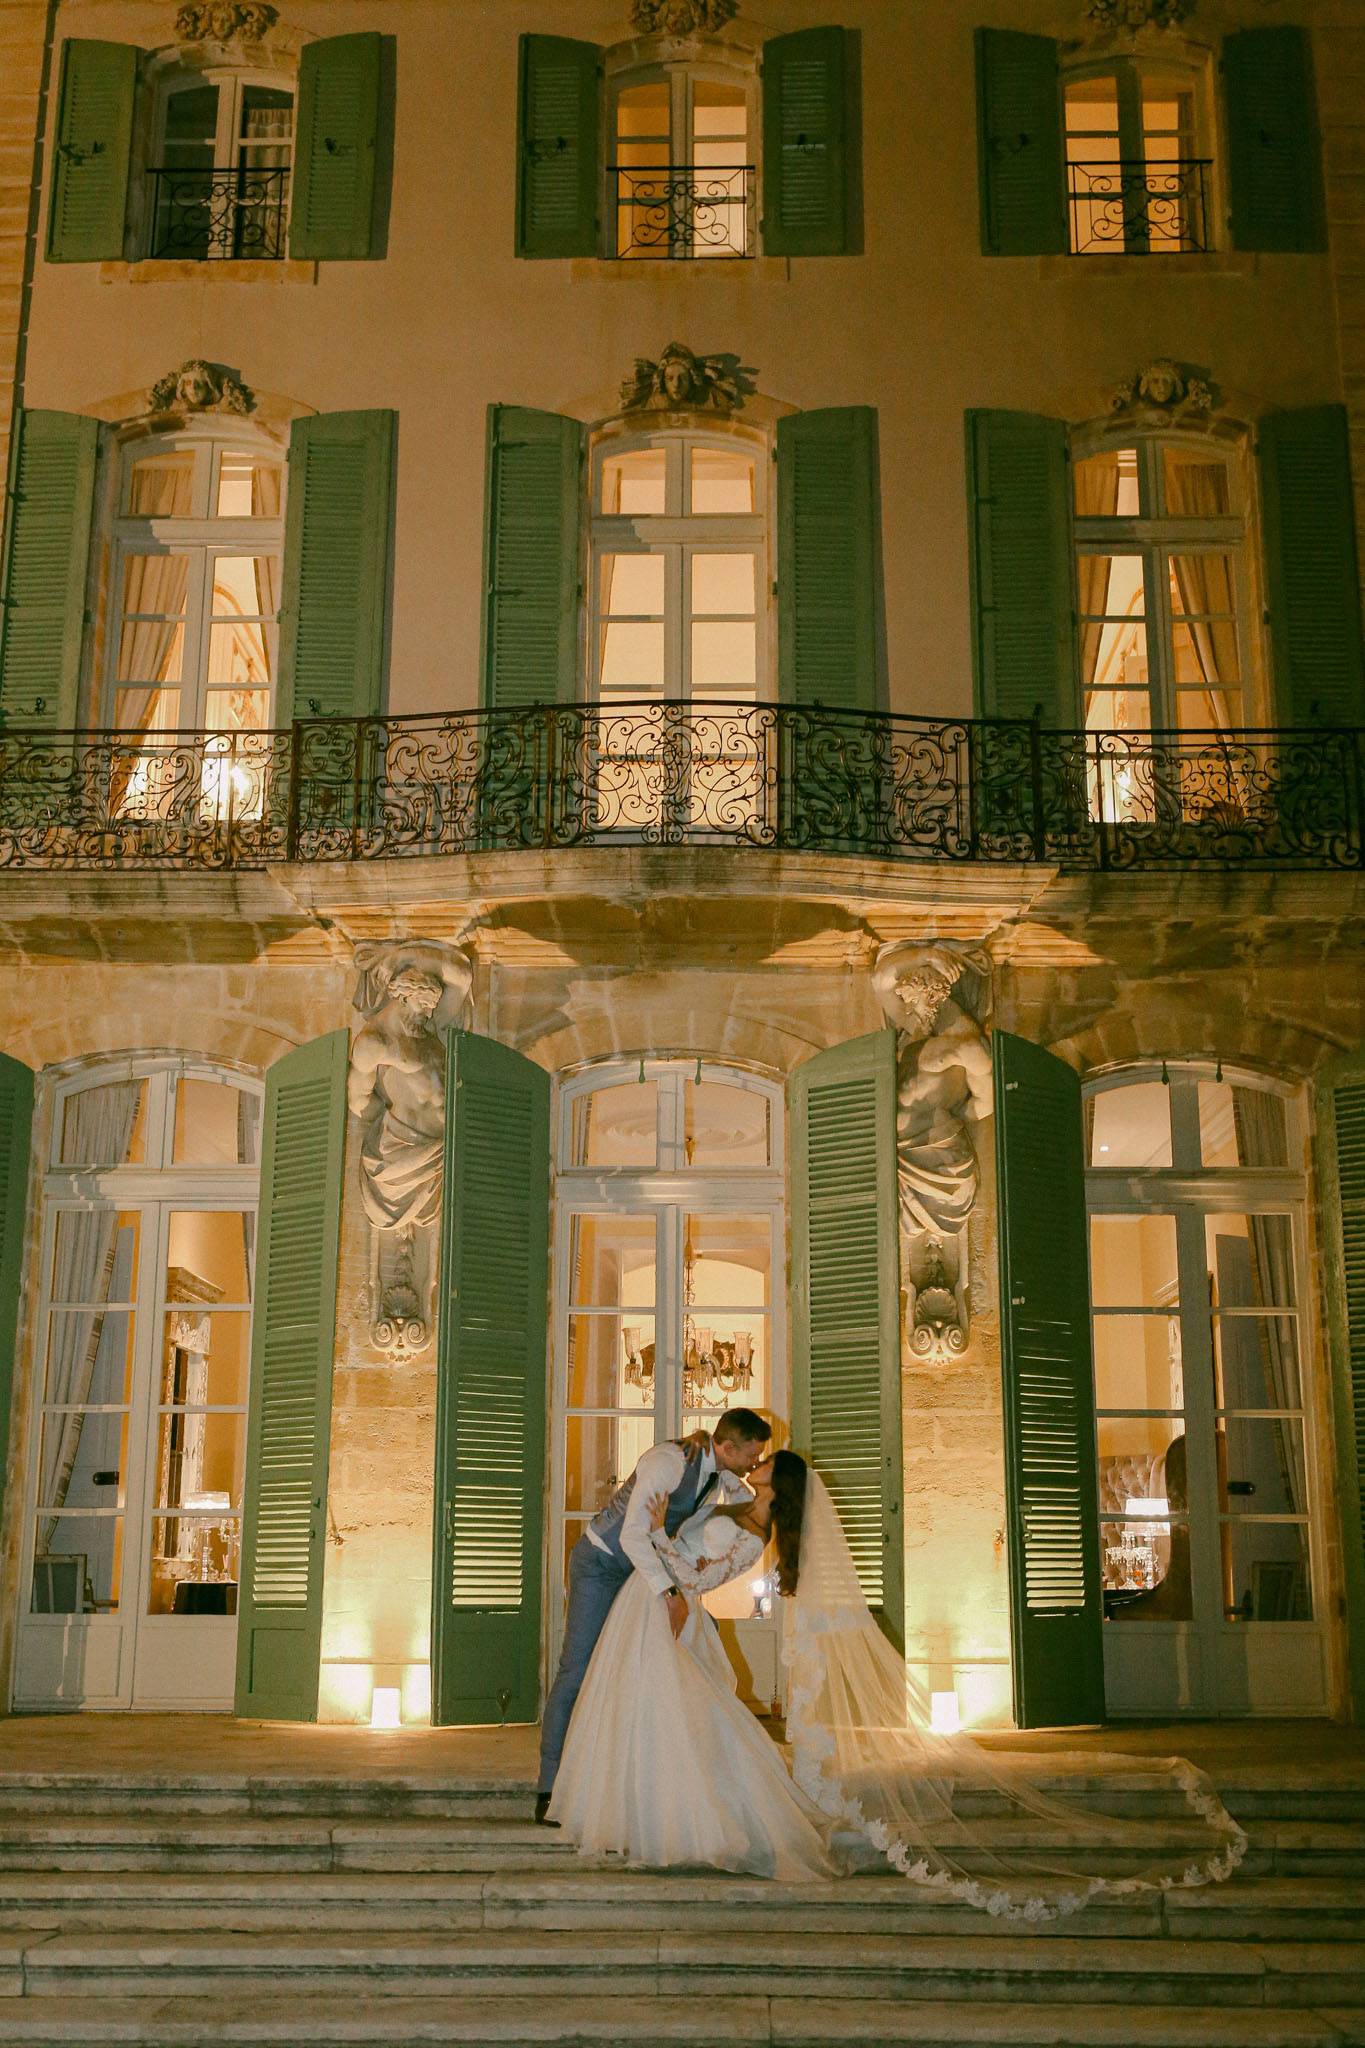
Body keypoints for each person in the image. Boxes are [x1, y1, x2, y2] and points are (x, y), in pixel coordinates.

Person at [548, 1449, 1249, 1919]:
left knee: (694, 1725)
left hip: (670, 1613)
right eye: (753, 1459)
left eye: (763, 1466)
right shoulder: (728, 1502)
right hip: (657, 1610)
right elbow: (686, 1502)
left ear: (776, 1489)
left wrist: (669, 1584)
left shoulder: (747, 1539)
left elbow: (704, 1575)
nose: (753, 1467)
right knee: (671, 1724)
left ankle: (689, 1818)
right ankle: (657, 1807)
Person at [534, 1407, 772, 1823]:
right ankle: (550, 1788)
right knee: (577, 1670)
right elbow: (630, 1536)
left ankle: (625, 1781)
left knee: (652, 1671)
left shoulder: (720, 1469)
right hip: (603, 1564)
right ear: (728, 1446)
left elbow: (746, 1504)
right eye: (752, 1455)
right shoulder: (667, 1463)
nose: (755, 1463)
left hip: (643, 1578)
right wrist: (670, 1592)